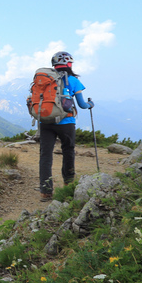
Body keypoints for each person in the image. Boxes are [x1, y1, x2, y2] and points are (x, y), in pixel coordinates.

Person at [39, 51, 93, 201]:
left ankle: (45, 192)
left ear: (54, 65)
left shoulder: (45, 80)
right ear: (69, 65)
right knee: (68, 151)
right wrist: (90, 104)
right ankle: (68, 185)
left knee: (45, 155)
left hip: (46, 121)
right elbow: (82, 105)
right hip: (66, 122)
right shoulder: (73, 81)